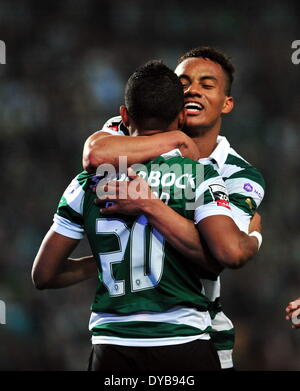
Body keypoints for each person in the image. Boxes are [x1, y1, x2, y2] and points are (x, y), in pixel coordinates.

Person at [32, 60, 261, 371]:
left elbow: (43, 275)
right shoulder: (200, 174)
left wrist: (102, 260)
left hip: (111, 345)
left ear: (126, 115)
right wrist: (253, 238)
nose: (193, 90)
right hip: (184, 338)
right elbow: (218, 258)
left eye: (206, 85)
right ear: (180, 115)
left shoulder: (86, 182)